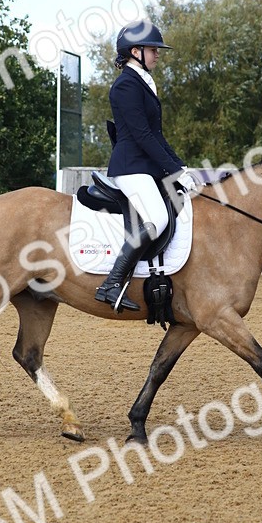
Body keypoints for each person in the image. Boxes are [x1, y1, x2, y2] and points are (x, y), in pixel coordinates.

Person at [94, 19, 198, 312]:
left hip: (144, 166)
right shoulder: (126, 85)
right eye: (153, 49)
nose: (158, 54)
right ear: (135, 51)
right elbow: (141, 136)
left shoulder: (141, 81)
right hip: (130, 166)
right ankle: (112, 283)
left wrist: (181, 168)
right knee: (158, 218)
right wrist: (174, 172)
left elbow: (157, 136)